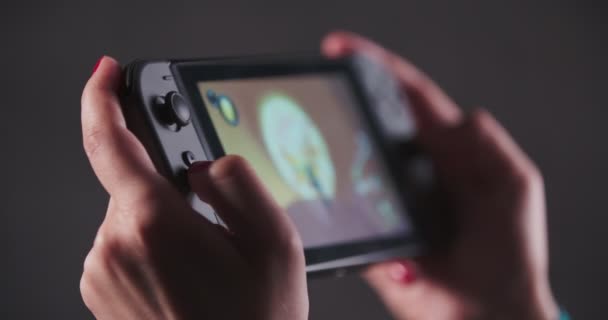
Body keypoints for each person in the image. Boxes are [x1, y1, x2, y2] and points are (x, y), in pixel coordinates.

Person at [80, 31, 561, 319]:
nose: (305, 152)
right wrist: (508, 309)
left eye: (306, 136)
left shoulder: (338, 213)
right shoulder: (288, 222)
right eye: (286, 143)